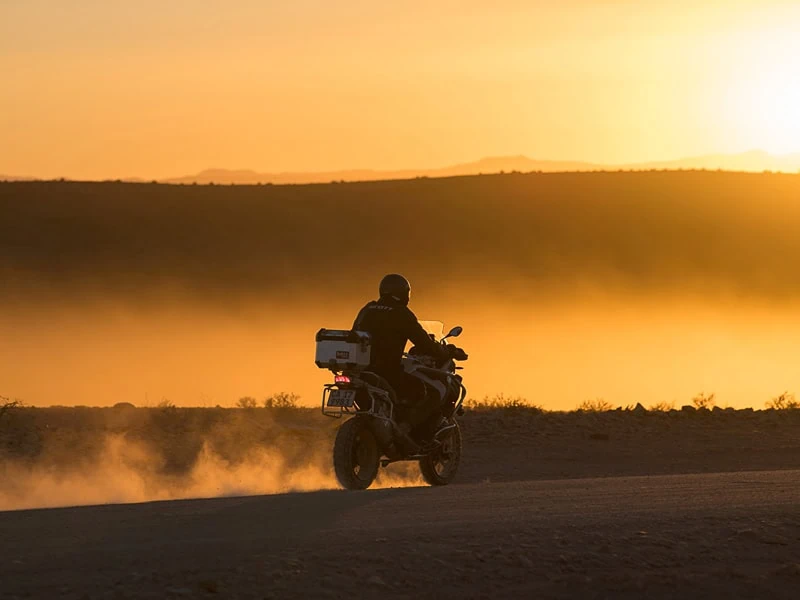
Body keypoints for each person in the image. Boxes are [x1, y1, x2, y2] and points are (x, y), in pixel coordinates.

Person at [352, 274, 448, 430]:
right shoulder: (401, 313)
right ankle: (405, 427)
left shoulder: (367, 310)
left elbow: (354, 333)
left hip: (360, 371)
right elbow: (423, 342)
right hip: (387, 371)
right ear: (404, 293)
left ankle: (390, 422)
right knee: (425, 392)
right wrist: (443, 351)